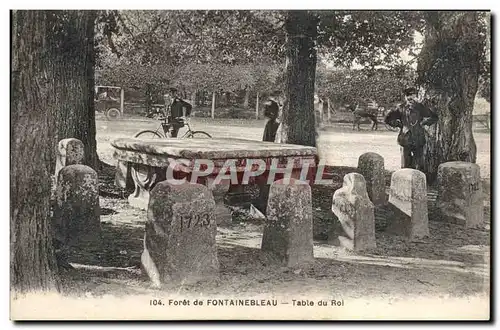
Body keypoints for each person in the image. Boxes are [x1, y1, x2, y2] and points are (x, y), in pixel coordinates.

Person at [384, 87, 438, 171]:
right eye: (408, 96)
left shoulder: (420, 107)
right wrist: (399, 125)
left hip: (418, 139)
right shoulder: (400, 108)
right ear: (405, 97)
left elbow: (434, 117)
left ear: (416, 96)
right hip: (405, 139)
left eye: (413, 96)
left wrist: (424, 123)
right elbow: (388, 119)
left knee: (419, 165)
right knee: (405, 165)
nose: (410, 98)